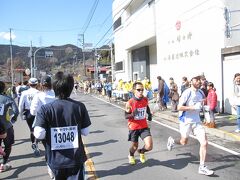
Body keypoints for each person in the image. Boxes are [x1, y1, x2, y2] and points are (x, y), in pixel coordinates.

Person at [33, 72, 91, 180]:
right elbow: (86, 132)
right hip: (76, 159)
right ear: (71, 87)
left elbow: (39, 134)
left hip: (56, 159)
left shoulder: (45, 109)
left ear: (54, 87)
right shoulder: (79, 106)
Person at [167, 75, 214, 176]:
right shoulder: (187, 92)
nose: (198, 82)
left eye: (199, 81)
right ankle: (172, 140)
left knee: (204, 143)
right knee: (183, 142)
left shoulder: (201, 92)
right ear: (192, 82)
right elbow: (179, 107)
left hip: (196, 121)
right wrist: (192, 107)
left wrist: (205, 109)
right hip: (185, 121)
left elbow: (203, 102)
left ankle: (202, 167)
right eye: (196, 80)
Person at [30, 75, 56, 179]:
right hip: (57, 123)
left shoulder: (38, 95)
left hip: (44, 125)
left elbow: (32, 112)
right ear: (51, 84)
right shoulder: (56, 94)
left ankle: (50, 168)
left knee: (48, 148)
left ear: (41, 84)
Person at [125, 81, 153, 165]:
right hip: (134, 127)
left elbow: (146, 106)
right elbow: (126, 116)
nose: (141, 91)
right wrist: (133, 114)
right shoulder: (130, 102)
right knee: (134, 147)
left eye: (142, 90)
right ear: (134, 90)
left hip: (144, 126)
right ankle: (131, 155)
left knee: (149, 146)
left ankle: (141, 152)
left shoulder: (145, 99)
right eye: (138, 90)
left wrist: (149, 114)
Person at [0, 81, 19, 172]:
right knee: (8, 146)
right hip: (6, 126)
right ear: (3, 89)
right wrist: (13, 119)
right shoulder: (8, 99)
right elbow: (16, 111)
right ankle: (3, 164)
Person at [18, 78, 40, 156]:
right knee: (38, 128)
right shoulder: (39, 92)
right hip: (38, 113)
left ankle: (34, 143)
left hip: (28, 113)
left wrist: (21, 116)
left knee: (32, 130)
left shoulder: (24, 93)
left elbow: (20, 105)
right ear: (36, 84)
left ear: (29, 84)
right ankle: (36, 142)